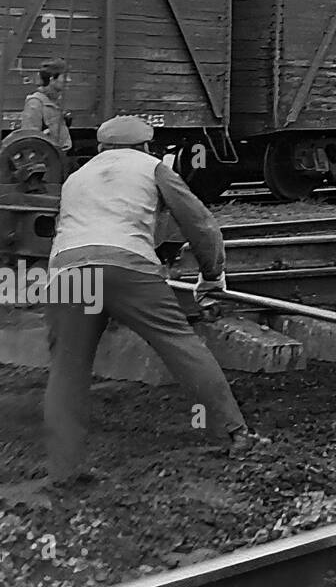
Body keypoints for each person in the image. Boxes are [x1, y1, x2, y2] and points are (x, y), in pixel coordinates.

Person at [42, 115, 257, 484]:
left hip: (67, 273)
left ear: (100, 148)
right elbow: (200, 223)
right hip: (127, 268)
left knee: (67, 369)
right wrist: (211, 275)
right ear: (145, 146)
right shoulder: (153, 168)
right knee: (180, 345)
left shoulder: (76, 178)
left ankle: (63, 470)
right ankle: (234, 434)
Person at [20, 58, 73, 156]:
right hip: (47, 162)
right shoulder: (35, 103)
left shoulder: (55, 101)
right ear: (52, 79)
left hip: (60, 159)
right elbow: (30, 140)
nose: (69, 80)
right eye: (65, 76)